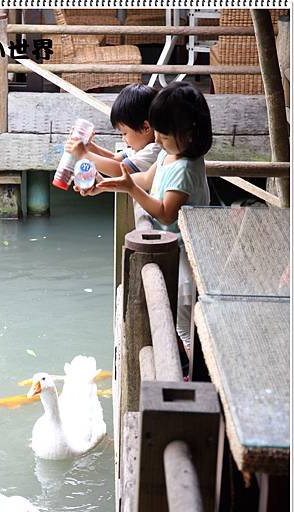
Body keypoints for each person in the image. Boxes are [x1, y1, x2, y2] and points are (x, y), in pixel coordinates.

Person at [95, 81, 213, 352]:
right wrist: (105, 184)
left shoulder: (184, 167)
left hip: (186, 253)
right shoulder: (170, 156)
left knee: (184, 321)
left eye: (164, 135)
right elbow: (147, 178)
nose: (157, 141)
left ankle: (187, 370)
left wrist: (130, 188)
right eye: (157, 133)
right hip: (173, 247)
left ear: (190, 134)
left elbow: (165, 212)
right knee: (177, 318)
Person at [65, 83, 161, 177]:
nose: (123, 139)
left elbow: (120, 170)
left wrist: (84, 154)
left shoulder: (154, 150)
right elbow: (114, 158)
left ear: (146, 127)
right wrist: (88, 146)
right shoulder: (140, 148)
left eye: (124, 133)